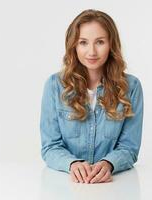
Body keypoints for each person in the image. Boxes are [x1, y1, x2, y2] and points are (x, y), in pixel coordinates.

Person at [40, 9, 144, 184]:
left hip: (114, 186)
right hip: (65, 185)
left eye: (100, 42)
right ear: (74, 45)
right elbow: (50, 147)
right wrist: (73, 164)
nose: (92, 52)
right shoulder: (54, 85)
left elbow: (129, 147)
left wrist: (109, 164)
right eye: (83, 42)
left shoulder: (131, 87)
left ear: (111, 44)